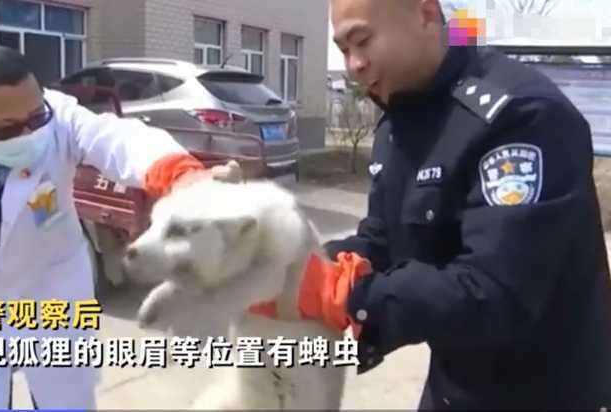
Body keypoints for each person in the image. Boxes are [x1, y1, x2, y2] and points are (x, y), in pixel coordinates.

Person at [253, 0, 611, 409]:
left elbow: (495, 294)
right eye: (344, 50)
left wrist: (350, 296)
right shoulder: (400, 119)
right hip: (454, 388)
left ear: (425, 13)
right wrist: (302, 268)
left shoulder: (520, 116)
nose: (354, 65)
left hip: (545, 394)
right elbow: (384, 240)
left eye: (362, 41)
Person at [0, 46, 240, 409]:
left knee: (67, 402)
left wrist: (184, 178)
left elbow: (119, 140)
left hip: (54, 295)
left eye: (36, 117)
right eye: (9, 129)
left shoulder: (59, 117)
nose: (30, 133)